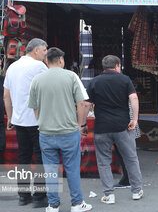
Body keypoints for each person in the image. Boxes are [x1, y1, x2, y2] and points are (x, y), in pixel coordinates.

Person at [28, 47, 92, 212]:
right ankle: (77, 204)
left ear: (46, 61)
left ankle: (53, 205)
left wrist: (42, 122)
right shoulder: (71, 76)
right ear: (61, 60)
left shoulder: (37, 80)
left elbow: (34, 108)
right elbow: (83, 103)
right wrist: (80, 124)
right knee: (72, 169)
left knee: (50, 171)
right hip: (68, 132)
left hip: (46, 133)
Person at [86, 55, 143, 204]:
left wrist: (82, 124)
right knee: (131, 158)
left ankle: (109, 195)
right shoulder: (124, 80)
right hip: (122, 127)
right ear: (117, 65)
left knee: (104, 162)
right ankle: (136, 191)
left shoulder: (94, 82)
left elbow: (85, 104)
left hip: (102, 127)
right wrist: (135, 119)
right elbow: (134, 99)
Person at [3, 38, 48, 207]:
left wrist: (11, 117)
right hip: (37, 120)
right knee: (40, 158)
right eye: (44, 50)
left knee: (23, 157)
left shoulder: (13, 67)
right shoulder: (39, 67)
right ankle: (39, 196)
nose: (46, 54)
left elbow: (6, 96)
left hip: (20, 119)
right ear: (35, 50)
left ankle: (23, 195)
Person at [113, 100, 142, 189]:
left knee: (124, 152)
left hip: (123, 118)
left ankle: (128, 179)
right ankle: (130, 179)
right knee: (127, 152)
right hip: (127, 116)